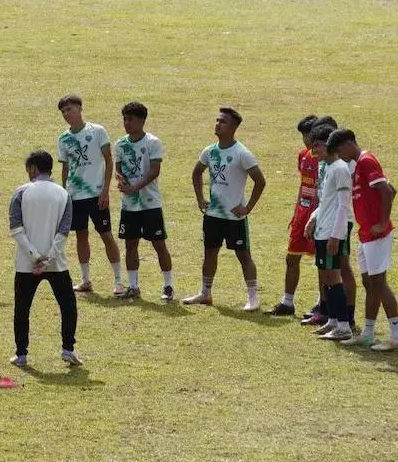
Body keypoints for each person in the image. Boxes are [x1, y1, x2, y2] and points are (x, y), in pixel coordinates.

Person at [331, 130, 398, 351]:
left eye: (340, 151)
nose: (340, 156)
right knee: (369, 283)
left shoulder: (366, 161)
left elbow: (387, 191)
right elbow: (391, 188)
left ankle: (397, 336)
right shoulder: (359, 164)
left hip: (377, 236)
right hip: (365, 235)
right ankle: (368, 333)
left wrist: (382, 223)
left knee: (379, 283)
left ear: (348, 144)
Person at [185, 108, 266, 311]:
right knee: (209, 253)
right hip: (213, 215)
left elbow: (260, 181)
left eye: (223, 121)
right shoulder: (209, 151)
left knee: (243, 255)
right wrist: (200, 198)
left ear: (234, 127)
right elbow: (196, 173)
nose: (217, 124)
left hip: (234, 217)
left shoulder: (242, 153)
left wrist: (247, 207)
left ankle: (253, 297)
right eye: (217, 120)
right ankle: (205, 293)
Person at [8, 150, 80, 368]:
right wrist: (48, 259)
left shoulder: (21, 192)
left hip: (26, 264)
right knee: (68, 306)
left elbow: (16, 228)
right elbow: (63, 231)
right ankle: (68, 349)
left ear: (33, 168)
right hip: (56, 263)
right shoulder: (63, 194)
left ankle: (21, 354)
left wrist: (34, 256)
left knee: (22, 308)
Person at [55, 95, 122, 294]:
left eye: (69, 109)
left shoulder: (97, 131)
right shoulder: (63, 139)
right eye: (63, 111)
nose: (66, 114)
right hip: (75, 195)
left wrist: (105, 190)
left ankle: (119, 281)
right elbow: (65, 169)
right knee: (81, 236)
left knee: (106, 234)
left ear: (80, 108)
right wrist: (64, 193)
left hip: (96, 193)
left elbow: (108, 161)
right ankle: (85, 280)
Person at [114, 102, 174, 301]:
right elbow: (118, 168)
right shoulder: (120, 144)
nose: (126, 123)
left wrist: (134, 188)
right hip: (129, 205)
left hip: (150, 203)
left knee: (159, 244)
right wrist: (120, 178)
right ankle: (133, 286)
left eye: (130, 119)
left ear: (142, 121)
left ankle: (168, 286)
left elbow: (154, 170)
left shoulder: (152, 142)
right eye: (124, 119)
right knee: (130, 245)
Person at [304, 125, 355, 341]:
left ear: (328, 145)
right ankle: (332, 320)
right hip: (322, 229)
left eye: (317, 146)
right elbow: (326, 201)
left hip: (332, 230)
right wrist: (313, 218)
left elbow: (343, 205)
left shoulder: (340, 169)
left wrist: (336, 235)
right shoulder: (327, 168)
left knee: (334, 276)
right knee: (326, 276)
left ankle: (344, 325)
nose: (314, 151)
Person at [268, 115, 320, 317]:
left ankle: (321, 303)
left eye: (308, 136)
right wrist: (296, 211)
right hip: (302, 213)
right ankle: (287, 302)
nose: (305, 141)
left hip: (319, 215)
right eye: (303, 136)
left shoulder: (326, 159)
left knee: (322, 263)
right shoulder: (303, 155)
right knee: (291, 257)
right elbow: (303, 184)